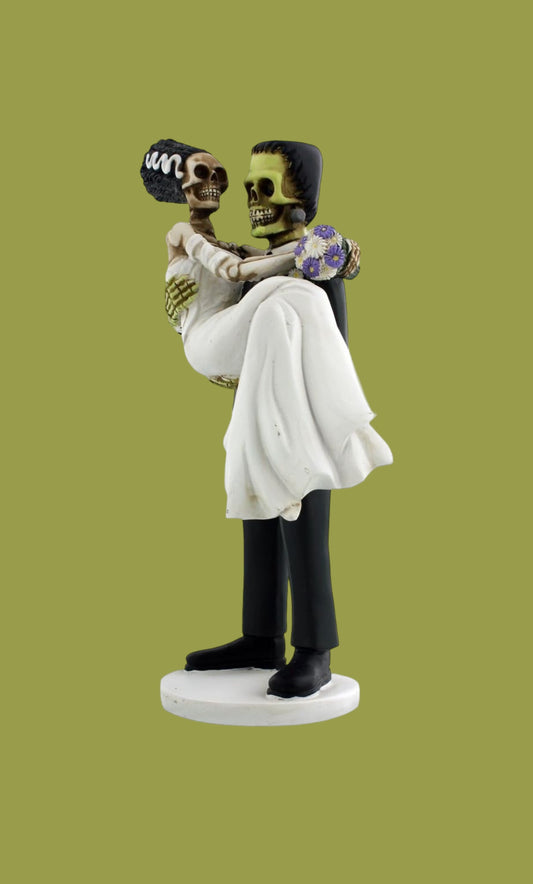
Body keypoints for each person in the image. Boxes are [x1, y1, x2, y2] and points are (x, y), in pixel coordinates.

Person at [142, 139, 392, 697]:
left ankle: (314, 648)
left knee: (303, 524)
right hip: (258, 398)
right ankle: (260, 635)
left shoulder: (318, 259)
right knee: (255, 509)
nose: (252, 199)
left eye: (265, 187)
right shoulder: (257, 259)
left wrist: (320, 417)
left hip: (307, 411)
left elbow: (333, 339)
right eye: (249, 186)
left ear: (301, 198)